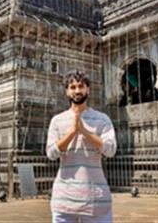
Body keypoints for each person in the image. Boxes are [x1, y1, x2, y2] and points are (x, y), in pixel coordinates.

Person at [46, 70, 117, 223]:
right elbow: (51, 153)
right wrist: (72, 133)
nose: (77, 90)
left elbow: (110, 150)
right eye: (72, 87)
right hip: (64, 200)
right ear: (66, 91)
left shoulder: (102, 119)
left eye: (81, 86)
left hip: (96, 200)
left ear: (88, 89)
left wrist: (84, 132)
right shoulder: (57, 121)